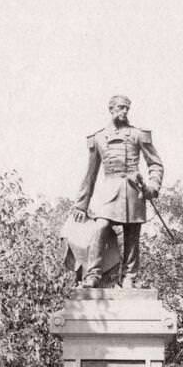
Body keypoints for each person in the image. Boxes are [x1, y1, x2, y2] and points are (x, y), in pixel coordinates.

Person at [71, 95, 164, 288]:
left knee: (132, 234)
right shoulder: (97, 138)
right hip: (109, 191)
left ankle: (129, 277)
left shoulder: (138, 134)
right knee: (101, 226)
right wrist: (82, 204)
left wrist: (152, 187)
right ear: (111, 109)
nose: (124, 112)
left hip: (133, 192)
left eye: (127, 109)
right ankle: (93, 274)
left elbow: (155, 164)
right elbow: (90, 174)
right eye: (120, 108)